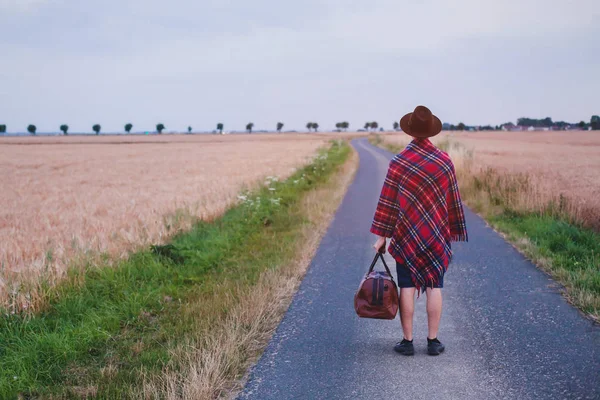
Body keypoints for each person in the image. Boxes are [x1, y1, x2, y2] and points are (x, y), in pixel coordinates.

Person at [370, 105, 468, 356]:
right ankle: (433, 342)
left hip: (406, 236)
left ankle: (408, 341)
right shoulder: (444, 161)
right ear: (431, 131)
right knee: (435, 285)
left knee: (407, 286)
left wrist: (382, 236)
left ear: (411, 131)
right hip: (436, 235)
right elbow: (452, 200)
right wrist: (449, 230)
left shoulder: (400, 161)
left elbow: (388, 202)